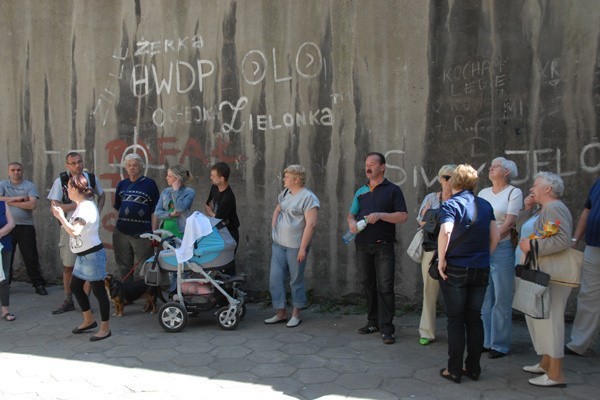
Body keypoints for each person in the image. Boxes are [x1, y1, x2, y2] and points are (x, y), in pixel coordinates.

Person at [437, 164, 499, 383]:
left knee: (455, 320)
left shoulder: (450, 204)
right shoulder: (485, 204)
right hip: (480, 268)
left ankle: (453, 370)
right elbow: (496, 236)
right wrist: (485, 257)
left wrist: (441, 259)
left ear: (454, 182)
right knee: (475, 318)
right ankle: (473, 368)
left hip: (456, 269)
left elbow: (446, 230)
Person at [346, 152, 408, 345]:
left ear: (383, 167)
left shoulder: (393, 190)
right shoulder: (361, 191)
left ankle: (387, 328)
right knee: (368, 284)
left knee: (385, 287)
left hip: (384, 246)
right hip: (362, 245)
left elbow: (403, 216)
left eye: (372, 164)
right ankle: (373, 322)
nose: (368, 167)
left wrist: (381, 215)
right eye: (366, 164)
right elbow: (351, 214)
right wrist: (351, 224)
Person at [518, 172, 572, 387]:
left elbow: (562, 239)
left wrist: (531, 246)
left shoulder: (555, 208)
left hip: (553, 275)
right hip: (542, 271)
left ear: (548, 189)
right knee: (539, 318)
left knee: (551, 321)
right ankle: (546, 363)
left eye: (535, 185)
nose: (532, 188)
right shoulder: (544, 209)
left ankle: (556, 374)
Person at [51, 174, 111, 341]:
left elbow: (75, 231)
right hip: (83, 256)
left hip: (92, 255)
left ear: (77, 189)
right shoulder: (80, 205)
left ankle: (105, 328)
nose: (67, 190)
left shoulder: (85, 208)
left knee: (99, 292)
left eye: (69, 187)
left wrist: (61, 216)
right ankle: (89, 320)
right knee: (76, 287)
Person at [48, 152, 105, 314]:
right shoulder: (61, 181)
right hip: (68, 227)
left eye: (79, 162)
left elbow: (102, 196)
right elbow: (55, 206)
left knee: (89, 268)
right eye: (72, 163)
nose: (77, 166)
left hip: (87, 231)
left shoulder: (90, 179)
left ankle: (84, 301)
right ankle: (68, 300)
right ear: (67, 165)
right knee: (68, 266)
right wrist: (78, 204)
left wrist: (97, 212)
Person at [478, 157, 523, 359]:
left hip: (502, 249)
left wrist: (492, 241)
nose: (490, 168)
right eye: (491, 165)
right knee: (485, 297)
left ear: (506, 172)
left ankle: (500, 344)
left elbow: (509, 223)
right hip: (483, 248)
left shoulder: (514, 192)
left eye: (495, 166)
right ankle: (486, 341)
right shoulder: (483, 193)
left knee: (501, 298)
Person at [265, 165, 319, 328]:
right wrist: (274, 228)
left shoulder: (308, 197)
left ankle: (296, 314)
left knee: (296, 279)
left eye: (287, 177)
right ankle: (281, 313)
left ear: (296, 179)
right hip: (279, 245)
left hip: (296, 246)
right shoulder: (286, 193)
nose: (284, 179)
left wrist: (303, 248)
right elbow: (278, 209)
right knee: (275, 278)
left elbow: (311, 225)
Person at [415, 164, 456, 346]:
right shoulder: (431, 198)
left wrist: (433, 220)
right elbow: (421, 222)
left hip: (455, 250)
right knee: (429, 291)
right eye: (446, 177)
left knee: (456, 293)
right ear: (440, 179)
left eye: (453, 177)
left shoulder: (462, 199)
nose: (449, 181)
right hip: (432, 249)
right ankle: (427, 331)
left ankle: (456, 332)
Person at [0, 162, 48, 295]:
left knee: (30, 257)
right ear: (9, 172)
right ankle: (5, 285)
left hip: (25, 227)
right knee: (6, 257)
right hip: (7, 227)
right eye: (13, 170)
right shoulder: (3, 184)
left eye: (18, 170)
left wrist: (8, 201)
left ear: (23, 171)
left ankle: (38, 284)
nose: (16, 172)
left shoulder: (29, 186)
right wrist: (19, 198)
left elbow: (32, 205)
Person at [566, 178, 600, 356]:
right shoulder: (598, 182)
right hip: (593, 247)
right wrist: (575, 239)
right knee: (588, 295)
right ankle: (579, 344)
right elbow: (587, 210)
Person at [113, 153, 159, 280]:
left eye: (135, 165)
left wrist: (153, 232)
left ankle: (146, 295)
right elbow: (117, 207)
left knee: (144, 265)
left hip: (142, 233)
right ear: (125, 168)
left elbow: (155, 209)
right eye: (129, 165)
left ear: (140, 167)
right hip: (122, 232)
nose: (131, 168)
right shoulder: (122, 184)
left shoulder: (150, 184)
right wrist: (117, 226)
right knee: (123, 266)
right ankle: (125, 295)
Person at [153, 165, 196, 293]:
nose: (166, 178)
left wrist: (176, 191)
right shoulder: (165, 192)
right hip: (166, 234)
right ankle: (174, 293)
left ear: (177, 178)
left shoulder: (189, 192)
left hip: (182, 233)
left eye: (170, 176)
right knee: (172, 266)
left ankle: (183, 293)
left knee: (184, 265)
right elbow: (157, 212)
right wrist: (170, 214)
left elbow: (181, 208)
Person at [205, 162, 240, 274]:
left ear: (222, 178)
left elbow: (217, 219)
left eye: (213, 176)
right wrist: (213, 214)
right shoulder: (214, 187)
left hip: (229, 233)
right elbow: (207, 205)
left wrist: (211, 213)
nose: (210, 178)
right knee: (218, 263)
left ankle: (230, 289)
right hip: (219, 230)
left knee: (227, 263)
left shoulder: (228, 198)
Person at [0, 199, 16, 321]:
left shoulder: (3, 204)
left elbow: (11, 223)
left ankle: (5, 311)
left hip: (4, 245)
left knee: (4, 278)